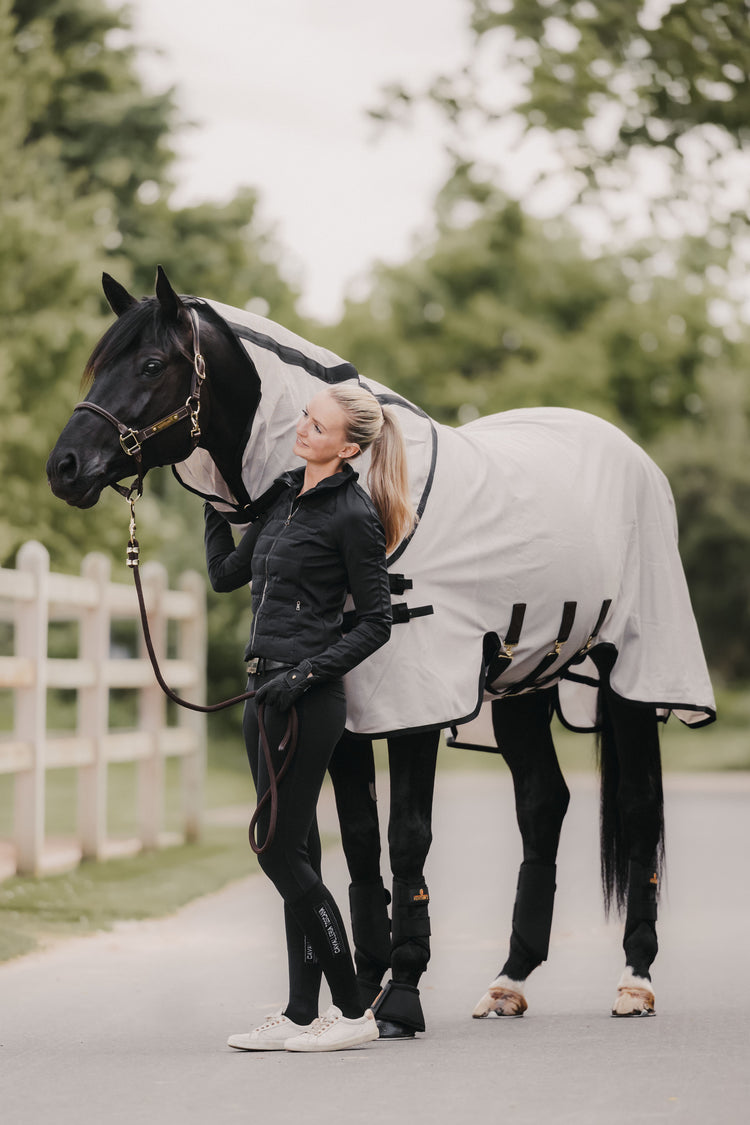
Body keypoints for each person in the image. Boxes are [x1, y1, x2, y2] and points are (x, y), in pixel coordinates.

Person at [203, 383, 414, 1053]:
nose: (303, 429)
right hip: (260, 696)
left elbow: (377, 621)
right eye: (305, 418)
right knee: (291, 850)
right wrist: (211, 503)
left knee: (275, 848)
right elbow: (227, 574)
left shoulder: (353, 514)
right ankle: (299, 1011)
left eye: (317, 426)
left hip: (305, 700)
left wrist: (304, 673)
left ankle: (351, 1010)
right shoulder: (284, 498)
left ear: (348, 446)